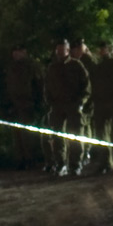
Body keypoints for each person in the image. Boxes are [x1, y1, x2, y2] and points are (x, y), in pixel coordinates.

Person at [43, 39, 89, 175]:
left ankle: (75, 164)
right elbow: (47, 87)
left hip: (73, 105)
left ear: (67, 50)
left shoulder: (77, 65)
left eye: (63, 49)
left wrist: (81, 102)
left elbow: (86, 86)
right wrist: (49, 102)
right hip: (57, 106)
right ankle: (60, 163)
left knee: (75, 136)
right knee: (57, 136)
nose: (60, 52)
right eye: (58, 50)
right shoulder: (52, 67)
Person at [86, 32, 113, 172]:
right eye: (100, 48)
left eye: (104, 47)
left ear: (111, 48)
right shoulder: (97, 66)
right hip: (99, 104)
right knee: (101, 134)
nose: (101, 50)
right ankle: (105, 162)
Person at [4, 46, 38, 124]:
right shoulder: (11, 68)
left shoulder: (31, 66)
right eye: (14, 52)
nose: (16, 54)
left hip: (28, 104)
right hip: (14, 105)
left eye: (18, 51)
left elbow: (38, 85)